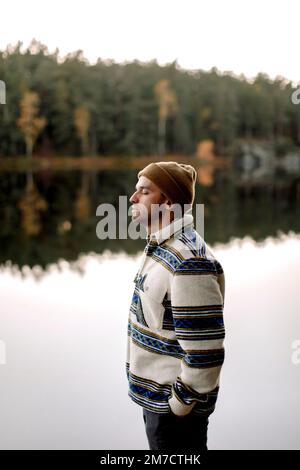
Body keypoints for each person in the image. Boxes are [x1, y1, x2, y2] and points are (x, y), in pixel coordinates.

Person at [125, 161, 226, 451]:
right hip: (159, 404)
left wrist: (178, 405)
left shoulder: (189, 261)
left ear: (167, 201)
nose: (133, 198)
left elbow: (205, 353)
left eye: (144, 192)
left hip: (175, 415)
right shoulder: (163, 247)